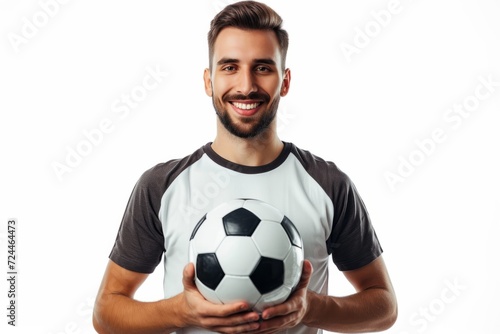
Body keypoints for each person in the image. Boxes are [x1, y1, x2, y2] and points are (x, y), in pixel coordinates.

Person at [92, 1, 398, 333]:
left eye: (263, 68)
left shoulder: (328, 184)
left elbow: (383, 306)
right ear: (209, 81)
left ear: (285, 81)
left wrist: (311, 307)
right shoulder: (162, 186)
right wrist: (181, 311)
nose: (246, 85)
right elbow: (107, 313)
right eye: (229, 67)